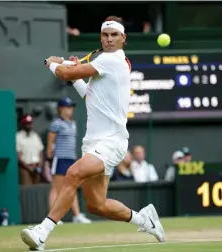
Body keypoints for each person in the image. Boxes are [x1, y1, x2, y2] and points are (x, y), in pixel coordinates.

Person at [20, 16, 165, 251]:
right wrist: (75, 72)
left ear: (122, 39)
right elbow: (90, 97)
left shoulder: (111, 60)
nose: (109, 39)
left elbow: (65, 75)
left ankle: (42, 232)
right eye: (105, 35)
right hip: (94, 143)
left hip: (111, 143)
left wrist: (52, 64)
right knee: (96, 205)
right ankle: (144, 220)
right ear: (101, 38)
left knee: (73, 173)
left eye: (114, 35)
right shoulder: (108, 64)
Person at [46, 97, 92, 224]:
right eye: (68, 107)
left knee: (72, 187)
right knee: (56, 188)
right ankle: (52, 218)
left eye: (71, 107)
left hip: (71, 159)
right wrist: (50, 154)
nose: (70, 110)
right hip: (60, 158)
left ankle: (77, 215)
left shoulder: (73, 123)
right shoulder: (56, 123)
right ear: (61, 108)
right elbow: (50, 142)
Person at [16, 114, 44, 185]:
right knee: (27, 189)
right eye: (26, 123)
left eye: (30, 123)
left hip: (36, 167)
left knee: (36, 190)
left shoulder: (35, 136)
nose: (28, 125)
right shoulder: (18, 136)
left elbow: (40, 151)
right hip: (25, 168)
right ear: (23, 124)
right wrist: (28, 168)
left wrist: (40, 165)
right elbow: (18, 156)